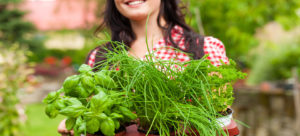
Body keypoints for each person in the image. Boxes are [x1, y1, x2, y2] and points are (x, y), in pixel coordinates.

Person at [58, 0, 229, 134]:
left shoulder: (204, 49)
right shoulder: (100, 57)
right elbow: (94, 116)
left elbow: (220, 116)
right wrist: (79, 121)